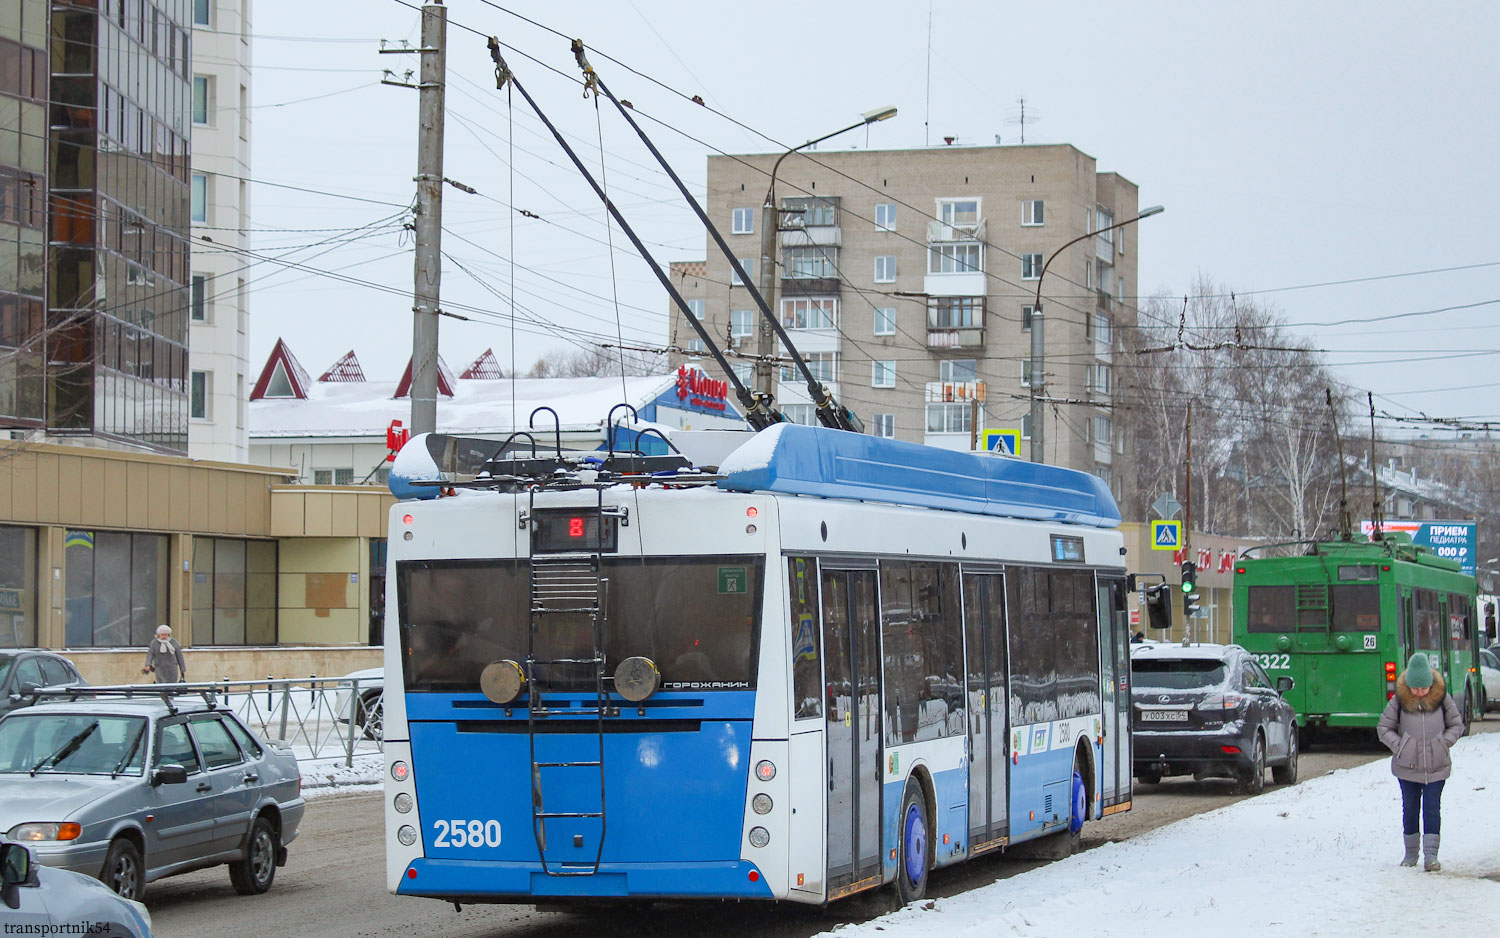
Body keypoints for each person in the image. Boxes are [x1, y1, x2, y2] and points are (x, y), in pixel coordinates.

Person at [1376, 653, 1463, 871]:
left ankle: (1431, 856)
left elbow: (1456, 725)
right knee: (1410, 809)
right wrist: (1400, 746)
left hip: (1437, 766)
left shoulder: (1442, 698)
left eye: (1424, 688)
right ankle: (1410, 854)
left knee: (1432, 808)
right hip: (1407, 768)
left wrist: (1443, 743)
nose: (1420, 692)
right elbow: (1384, 728)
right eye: (1415, 688)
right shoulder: (1399, 700)